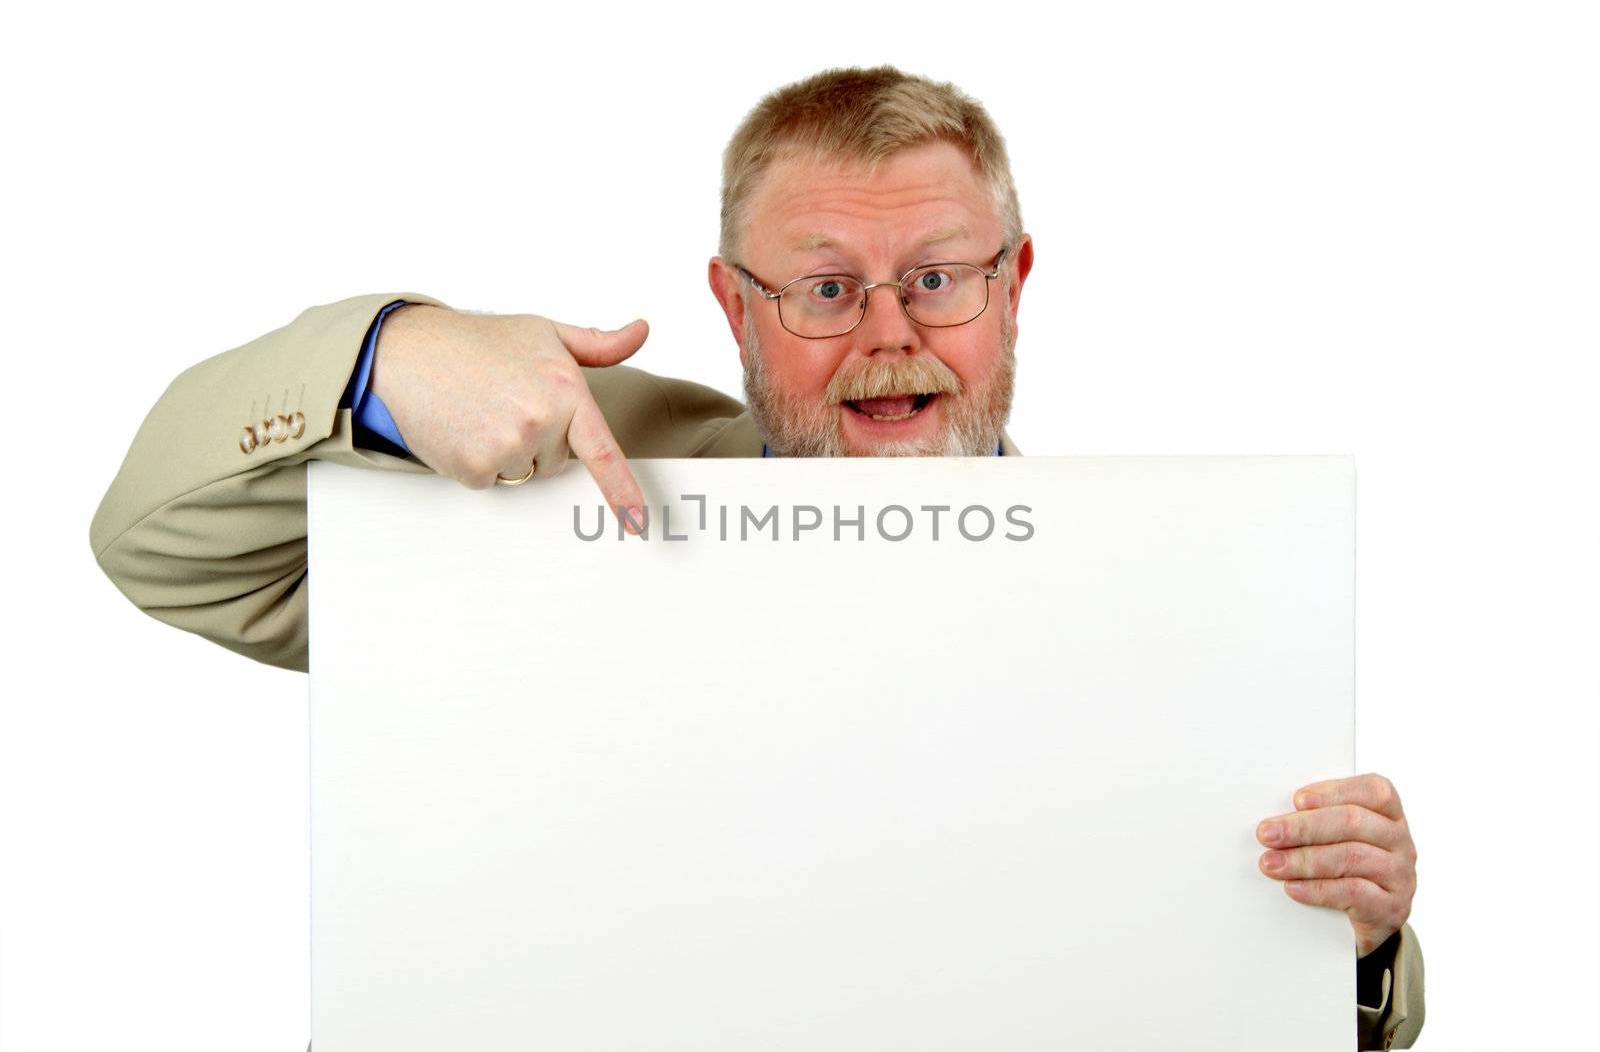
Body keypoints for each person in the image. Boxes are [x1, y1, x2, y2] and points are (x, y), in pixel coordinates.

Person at [89, 65, 1422, 1050]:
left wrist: (1357, 947)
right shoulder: (565, 469)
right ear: (734, 304)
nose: (890, 333)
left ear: (1014, 285)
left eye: (941, 277)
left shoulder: (1193, 596)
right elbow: (161, 545)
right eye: (827, 288)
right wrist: (386, 357)